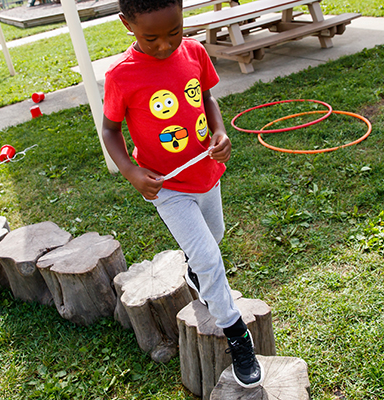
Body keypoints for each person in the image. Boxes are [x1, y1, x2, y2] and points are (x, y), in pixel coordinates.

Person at [101, 0, 263, 389]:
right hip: (168, 186)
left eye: (173, 31)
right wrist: (131, 171)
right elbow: (110, 131)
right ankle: (235, 331)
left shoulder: (194, 51)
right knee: (210, 255)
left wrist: (219, 132)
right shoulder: (121, 75)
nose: (164, 45)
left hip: (206, 171)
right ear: (127, 24)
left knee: (214, 237)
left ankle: (194, 272)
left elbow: (207, 99)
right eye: (150, 37)